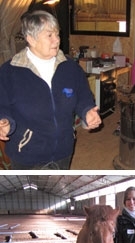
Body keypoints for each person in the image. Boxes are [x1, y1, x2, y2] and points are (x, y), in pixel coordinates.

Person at [0, 10, 101, 169]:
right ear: (31, 39)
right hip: (26, 154)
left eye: (57, 34)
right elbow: (2, 105)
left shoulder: (70, 67)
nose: (56, 40)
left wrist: (87, 111)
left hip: (63, 149)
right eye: (49, 35)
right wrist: (4, 121)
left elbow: (83, 95)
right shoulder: (8, 72)